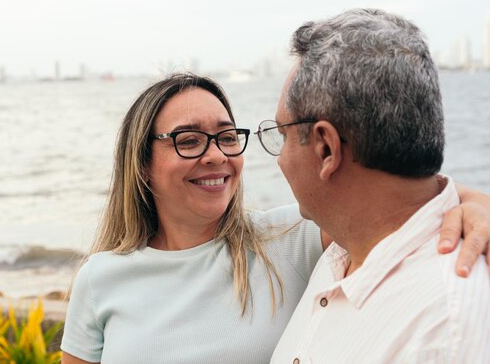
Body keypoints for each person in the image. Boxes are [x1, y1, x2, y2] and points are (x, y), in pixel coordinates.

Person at [61, 72, 490, 364]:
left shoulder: (289, 239)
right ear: (141, 164)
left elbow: (396, 200)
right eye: (189, 140)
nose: (216, 156)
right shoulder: (100, 278)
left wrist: (474, 203)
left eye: (228, 137)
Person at [268, 9, 489, 364]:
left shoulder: (447, 330)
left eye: (282, 135)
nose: (279, 160)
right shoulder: (345, 250)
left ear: (326, 148)